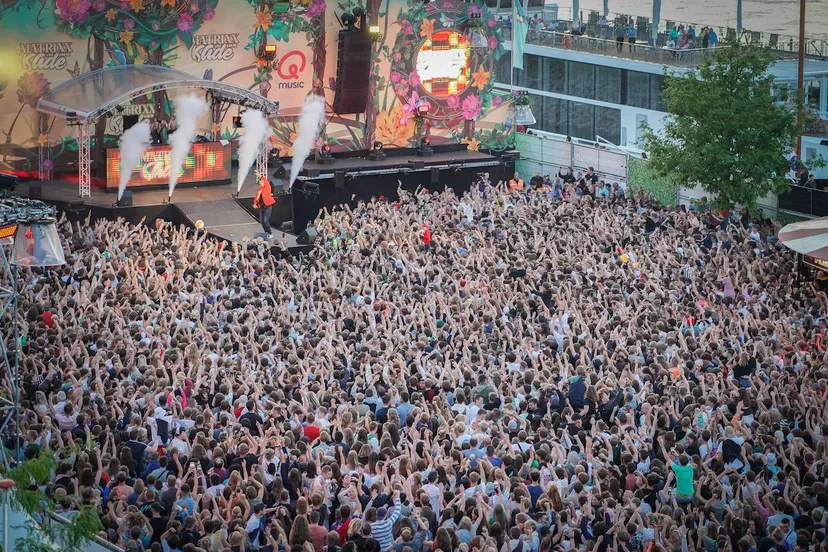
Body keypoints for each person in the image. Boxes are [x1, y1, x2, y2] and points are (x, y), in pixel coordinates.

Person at [253, 170, 275, 237]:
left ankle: (270, 233)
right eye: (260, 182)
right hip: (261, 208)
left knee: (265, 221)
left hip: (267, 207)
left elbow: (264, 179)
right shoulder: (259, 190)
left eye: (262, 182)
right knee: (262, 222)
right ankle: (266, 233)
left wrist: (258, 174)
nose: (262, 183)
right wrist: (255, 204)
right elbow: (256, 198)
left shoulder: (267, 187)